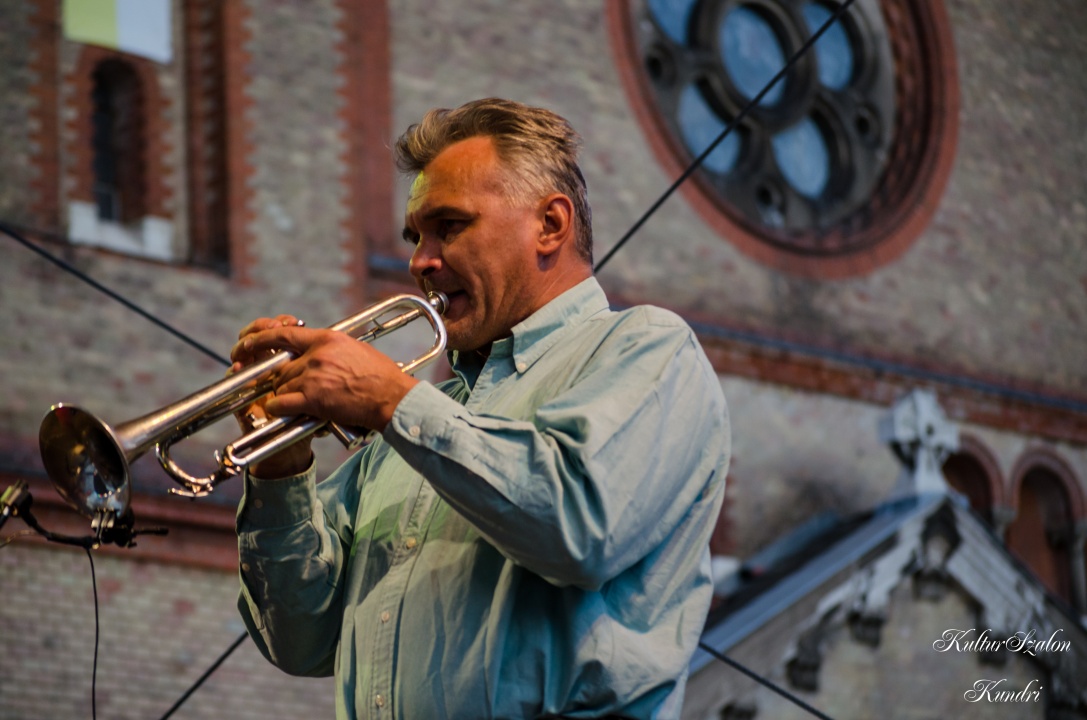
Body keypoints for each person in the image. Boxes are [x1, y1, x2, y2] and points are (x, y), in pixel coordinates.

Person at [231, 98, 730, 720]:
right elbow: (299, 641)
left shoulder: (646, 347)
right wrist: (279, 468)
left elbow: (580, 526)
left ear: (550, 224)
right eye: (416, 237)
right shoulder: (416, 424)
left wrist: (391, 401)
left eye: (450, 226)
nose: (420, 261)